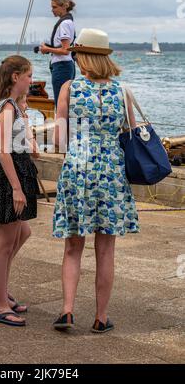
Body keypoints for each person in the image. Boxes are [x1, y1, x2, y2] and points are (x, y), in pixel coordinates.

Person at [52, 28, 140, 333]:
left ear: (82, 56)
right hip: (112, 171)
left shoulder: (69, 89)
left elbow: (59, 138)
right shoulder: (122, 91)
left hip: (78, 167)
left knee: (73, 247)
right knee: (105, 250)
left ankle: (67, 311)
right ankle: (101, 318)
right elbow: (130, 132)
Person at [0, 56, 40, 327]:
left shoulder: (13, 107)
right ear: (16, 77)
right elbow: (3, 150)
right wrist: (17, 187)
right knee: (4, 243)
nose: (31, 80)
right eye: (28, 76)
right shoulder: (6, 108)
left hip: (15, 172)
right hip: (8, 178)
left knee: (18, 233)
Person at [40, 0, 76, 108]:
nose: (52, 10)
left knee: (60, 102)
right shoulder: (68, 22)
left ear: (63, 7)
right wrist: (50, 47)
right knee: (65, 101)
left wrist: (47, 49)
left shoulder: (64, 23)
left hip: (62, 66)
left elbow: (65, 50)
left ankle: (61, 125)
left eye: (54, 7)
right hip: (66, 65)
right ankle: (64, 125)